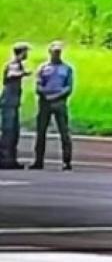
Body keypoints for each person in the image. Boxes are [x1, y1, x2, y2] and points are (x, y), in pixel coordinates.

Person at [31, 41, 73, 171]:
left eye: (59, 52)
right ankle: (38, 160)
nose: (57, 54)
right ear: (50, 52)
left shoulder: (67, 69)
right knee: (41, 132)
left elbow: (68, 87)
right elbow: (38, 85)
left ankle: (66, 161)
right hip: (45, 102)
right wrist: (45, 94)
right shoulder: (43, 68)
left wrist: (56, 96)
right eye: (55, 52)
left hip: (59, 102)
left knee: (64, 132)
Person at [0, 42, 31, 169]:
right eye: (25, 52)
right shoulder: (13, 64)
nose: (27, 54)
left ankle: (11, 158)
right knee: (8, 130)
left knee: (14, 131)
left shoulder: (18, 65)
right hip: (9, 102)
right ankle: (4, 159)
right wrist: (24, 73)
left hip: (14, 102)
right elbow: (12, 74)